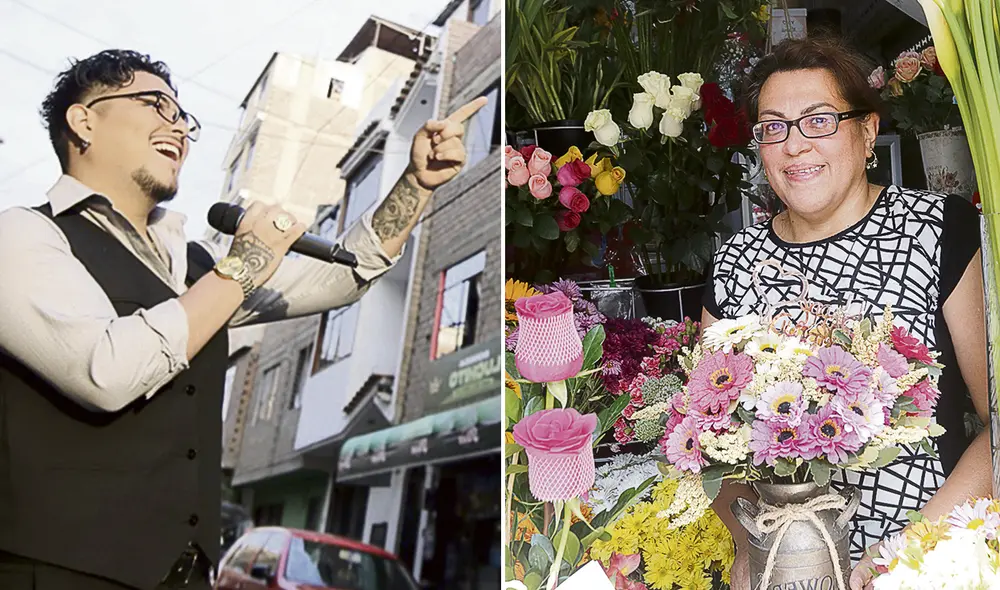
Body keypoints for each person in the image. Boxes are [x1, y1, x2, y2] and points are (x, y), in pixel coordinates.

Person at [0, 49, 487, 590]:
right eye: (156, 104)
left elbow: (342, 275)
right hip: (59, 570)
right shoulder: (23, 236)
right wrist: (245, 262)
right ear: (83, 120)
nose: (179, 128)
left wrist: (417, 184)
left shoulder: (196, 267)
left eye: (184, 117)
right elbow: (103, 371)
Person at [701, 37, 989, 590]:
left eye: (819, 121)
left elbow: (996, 421)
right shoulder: (736, 260)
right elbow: (705, 436)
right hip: (787, 565)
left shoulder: (936, 231)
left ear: (866, 132)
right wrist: (753, 550)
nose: (794, 146)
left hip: (926, 557)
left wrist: (907, 556)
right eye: (774, 127)